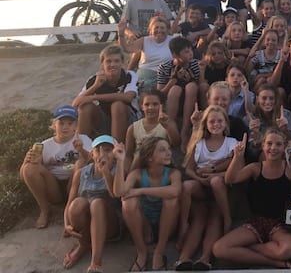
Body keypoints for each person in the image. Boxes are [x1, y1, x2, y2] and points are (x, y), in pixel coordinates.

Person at [213, 129, 291, 268]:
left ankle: (249, 248)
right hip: (257, 222)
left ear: (284, 147)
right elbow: (230, 179)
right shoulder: (255, 168)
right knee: (219, 248)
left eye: (278, 144)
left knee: (288, 250)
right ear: (263, 145)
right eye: (269, 144)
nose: (273, 148)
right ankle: (273, 262)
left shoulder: (289, 169)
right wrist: (237, 157)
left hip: (280, 223)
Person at [176, 106, 237, 270]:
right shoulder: (200, 143)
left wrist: (213, 174)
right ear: (206, 124)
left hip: (221, 192)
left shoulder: (231, 143)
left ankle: (205, 258)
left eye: (220, 121)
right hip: (201, 189)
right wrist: (200, 179)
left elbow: (235, 170)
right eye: (212, 121)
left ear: (226, 123)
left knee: (214, 216)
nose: (216, 124)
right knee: (187, 187)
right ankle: (183, 257)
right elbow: (189, 169)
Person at [114, 136, 182, 271]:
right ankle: (142, 252)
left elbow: (175, 191)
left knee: (171, 199)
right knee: (128, 201)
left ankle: (159, 252)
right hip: (144, 225)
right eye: (162, 150)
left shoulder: (173, 173)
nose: (168, 153)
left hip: (167, 225)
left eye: (168, 149)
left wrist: (141, 191)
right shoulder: (138, 174)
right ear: (150, 157)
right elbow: (119, 192)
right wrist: (120, 161)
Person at [20, 105, 91, 229]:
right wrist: (26, 162)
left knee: (80, 163)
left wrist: (82, 150)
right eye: (61, 123)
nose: (65, 127)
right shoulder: (45, 145)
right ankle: (44, 210)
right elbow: (23, 176)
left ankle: (71, 208)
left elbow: (94, 162)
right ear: (54, 125)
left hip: (74, 184)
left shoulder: (83, 139)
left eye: (70, 123)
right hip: (53, 186)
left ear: (76, 125)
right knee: (29, 168)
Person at [62, 135, 120, 273]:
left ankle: (96, 263)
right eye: (98, 150)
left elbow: (114, 195)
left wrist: (105, 172)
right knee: (77, 203)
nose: (102, 154)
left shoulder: (118, 170)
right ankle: (83, 245)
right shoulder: (81, 173)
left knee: (97, 203)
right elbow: (69, 202)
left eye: (107, 150)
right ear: (92, 154)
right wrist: (66, 224)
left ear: (115, 154)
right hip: (87, 227)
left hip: (111, 224)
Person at [74, 44, 139, 142]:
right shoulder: (94, 79)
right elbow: (75, 104)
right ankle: (82, 147)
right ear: (102, 64)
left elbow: (128, 97)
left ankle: (117, 147)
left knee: (117, 105)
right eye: (108, 61)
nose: (112, 64)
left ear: (122, 63)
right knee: (85, 107)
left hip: (127, 118)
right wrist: (95, 86)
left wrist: (93, 97)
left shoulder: (129, 75)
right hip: (104, 119)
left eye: (116, 61)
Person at [157, 36, 205, 149]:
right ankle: (170, 127)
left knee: (191, 86)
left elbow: (202, 86)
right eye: (186, 52)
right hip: (172, 98)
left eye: (191, 50)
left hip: (192, 98)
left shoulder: (196, 64)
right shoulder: (164, 67)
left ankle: (185, 131)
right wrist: (173, 80)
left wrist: (196, 76)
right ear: (175, 55)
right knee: (175, 89)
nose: (191, 54)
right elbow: (160, 94)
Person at [124, 89, 179, 171]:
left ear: (161, 106)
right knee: (139, 155)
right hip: (139, 167)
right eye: (147, 104)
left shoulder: (168, 123)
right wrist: (126, 172)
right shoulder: (133, 128)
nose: (151, 107)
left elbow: (176, 143)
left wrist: (168, 127)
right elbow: (128, 155)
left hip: (161, 165)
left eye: (155, 104)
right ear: (142, 107)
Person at [118, 15, 174, 93]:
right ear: (150, 30)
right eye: (156, 28)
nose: (159, 30)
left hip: (165, 76)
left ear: (167, 30)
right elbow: (126, 49)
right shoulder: (144, 41)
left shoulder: (173, 41)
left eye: (162, 28)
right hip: (145, 75)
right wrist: (121, 34)